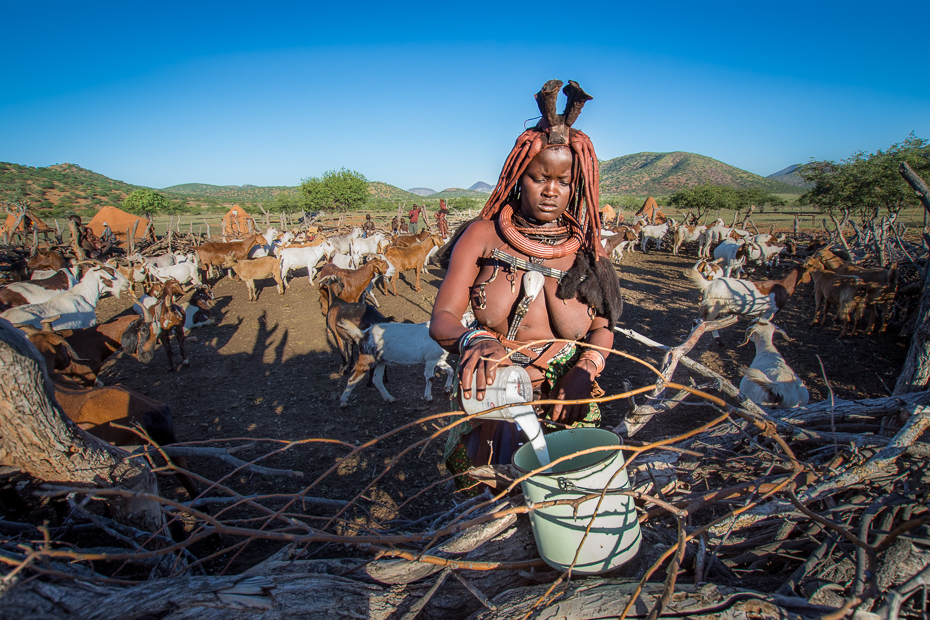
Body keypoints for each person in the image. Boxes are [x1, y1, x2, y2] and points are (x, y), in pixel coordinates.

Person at [429, 80, 623, 494]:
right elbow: (443, 319)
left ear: (578, 187)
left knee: (564, 500)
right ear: (520, 177)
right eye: (539, 178)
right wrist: (475, 340)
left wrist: (586, 370)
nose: (552, 190)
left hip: (564, 402)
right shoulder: (483, 237)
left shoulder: (590, 253)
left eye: (565, 182)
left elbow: (602, 328)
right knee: (487, 503)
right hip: (492, 397)